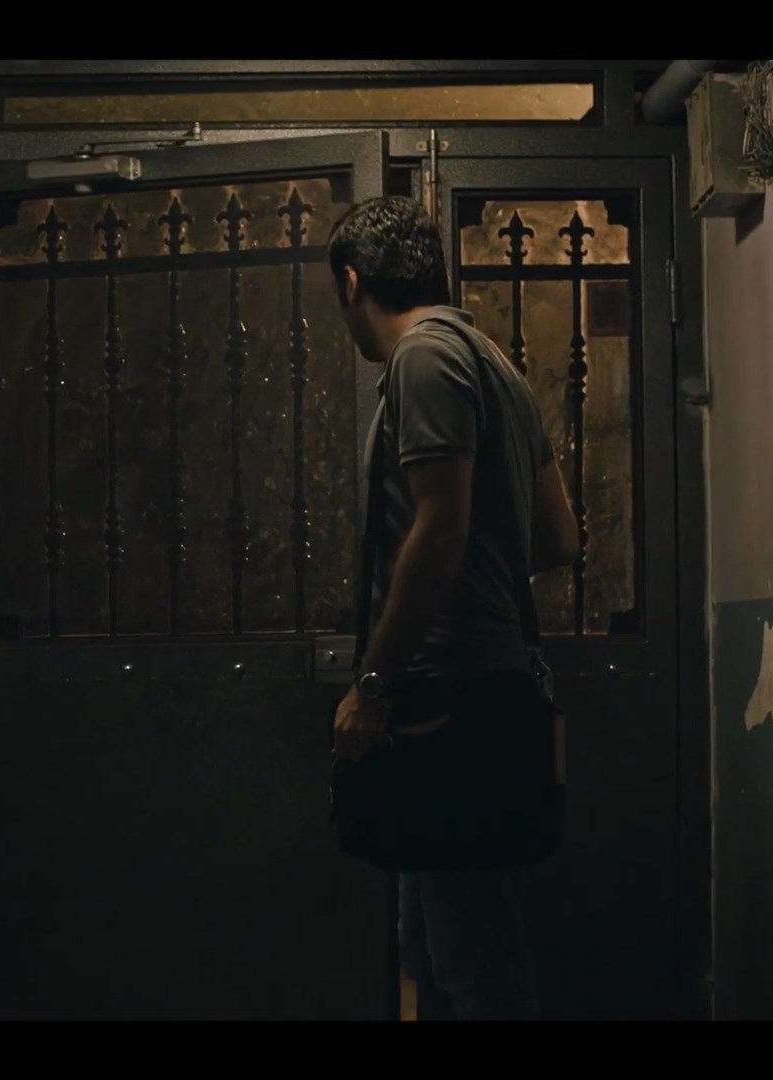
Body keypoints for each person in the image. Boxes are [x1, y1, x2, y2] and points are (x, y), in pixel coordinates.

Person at [326, 196, 579, 1021]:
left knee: (470, 968)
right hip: (488, 693)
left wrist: (373, 683)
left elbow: (439, 528)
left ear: (353, 283)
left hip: (447, 703)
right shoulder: (494, 363)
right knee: (441, 952)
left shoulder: (423, 360)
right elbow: (559, 537)